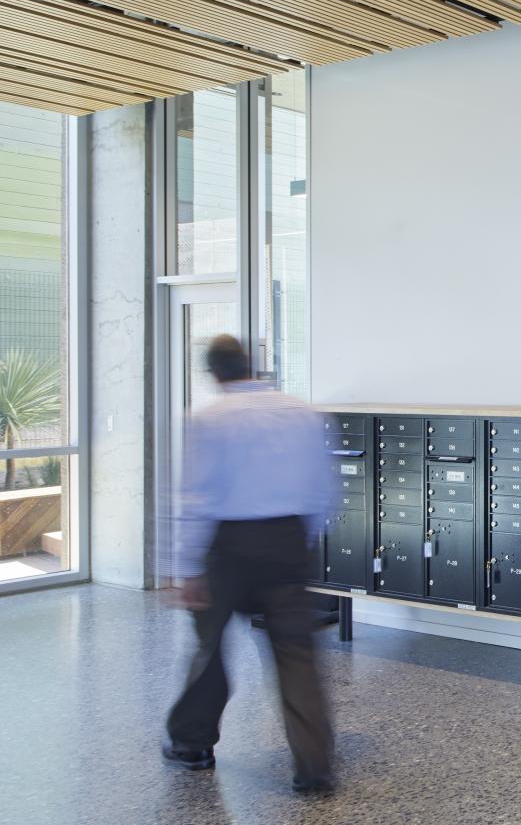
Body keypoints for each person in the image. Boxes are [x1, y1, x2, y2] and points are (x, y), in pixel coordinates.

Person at [163, 334, 337, 791]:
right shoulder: (303, 413)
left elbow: (195, 499)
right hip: (287, 543)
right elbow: (323, 491)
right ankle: (314, 767)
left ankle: (192, 745)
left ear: (214, 374)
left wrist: (187, 569)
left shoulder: (207, 420)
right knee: (297, 657)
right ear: (250, 365)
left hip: (228, 548)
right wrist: (303, 543)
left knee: (210, 650)